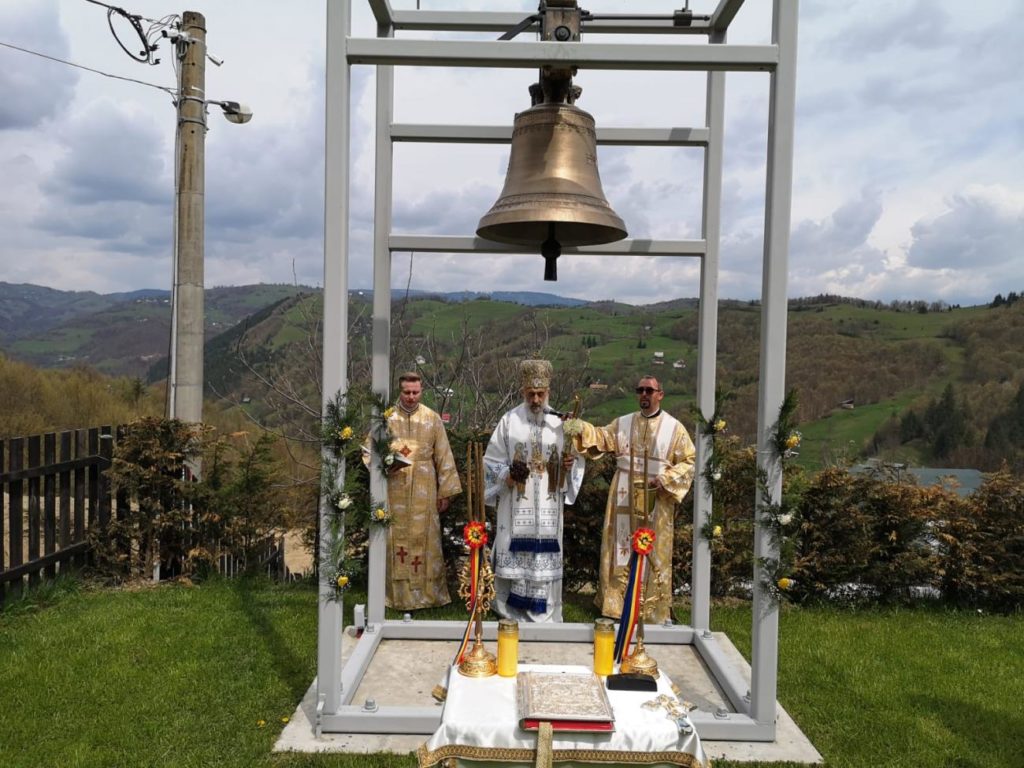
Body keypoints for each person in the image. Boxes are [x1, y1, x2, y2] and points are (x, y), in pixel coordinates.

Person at [569, 375, 695, 624]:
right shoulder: (623, 423)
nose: (644, 394)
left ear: (660, 394)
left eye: (649, 390)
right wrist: (579, 427)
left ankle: (652, 609)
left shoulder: (675, 428)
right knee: (620, 544)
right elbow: (601, 437)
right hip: (624, 493)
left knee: (653, 548)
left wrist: (666, 479)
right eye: (640, 390)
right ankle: (616, 606)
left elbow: (689, 460)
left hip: (656, 496)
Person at [483, 359, 584, 622]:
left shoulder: (561, 423)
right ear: (523, 392)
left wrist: (569, 464)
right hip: (516, 500)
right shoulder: (509, 421)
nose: (536, 399)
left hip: (548, 502)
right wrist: (506, 475)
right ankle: (510, 609)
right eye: (531, 394)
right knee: (513, 550)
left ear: (548, 392)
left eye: (541, 394)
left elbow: (574, 459)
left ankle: (545, 611)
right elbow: (491, 461)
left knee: (545, 554)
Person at [366, 372, 461, 611]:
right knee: (393, 539)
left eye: (415, 392)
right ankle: (395, 597)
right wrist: (385, 463)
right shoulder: (386, 417)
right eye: (406, 392)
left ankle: (429, 596)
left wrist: (445, 493)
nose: (410, 397)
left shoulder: (432, 418)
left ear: (421, 391)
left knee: (426, 538)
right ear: (400, 390)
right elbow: (368, 451)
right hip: (393, 489)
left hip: (425, 489)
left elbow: (444, 455)